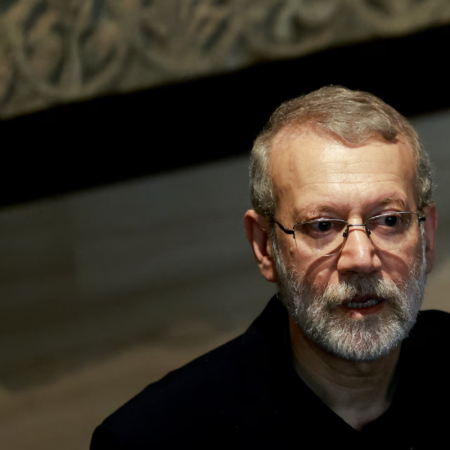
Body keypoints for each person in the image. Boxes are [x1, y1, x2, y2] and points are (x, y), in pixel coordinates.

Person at [91, 86, 446, 450]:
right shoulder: (151, 440)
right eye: (322, 225)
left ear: (427, 236)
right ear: (265, 247)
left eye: (389, 220)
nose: (360, 258)